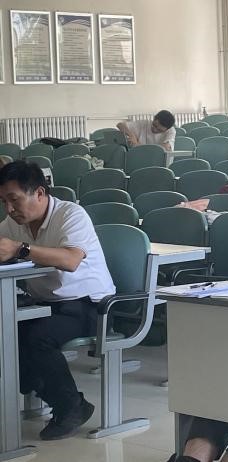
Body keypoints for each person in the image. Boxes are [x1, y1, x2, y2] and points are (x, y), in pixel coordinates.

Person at [0, 161, 116, 440]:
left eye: (14, 200)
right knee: (6, 332)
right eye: (3, 202)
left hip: (91, 304)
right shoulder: (12, 224)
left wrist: (20, 249)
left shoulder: (71, 214)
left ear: (39, 193)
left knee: (36, 338)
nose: (9, 209)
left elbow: (71, 260)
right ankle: (54, 394)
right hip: (46, 304)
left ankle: (69, 406)